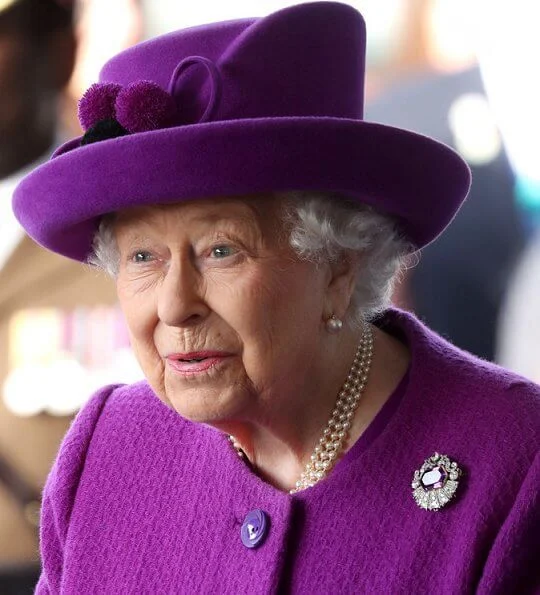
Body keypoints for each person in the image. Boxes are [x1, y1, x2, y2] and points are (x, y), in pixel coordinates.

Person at [12, 3, 540, 593]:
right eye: (143, 257)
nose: (172, 305)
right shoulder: (107, 447)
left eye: (220, 251)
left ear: (340, 264)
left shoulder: (517, 463)